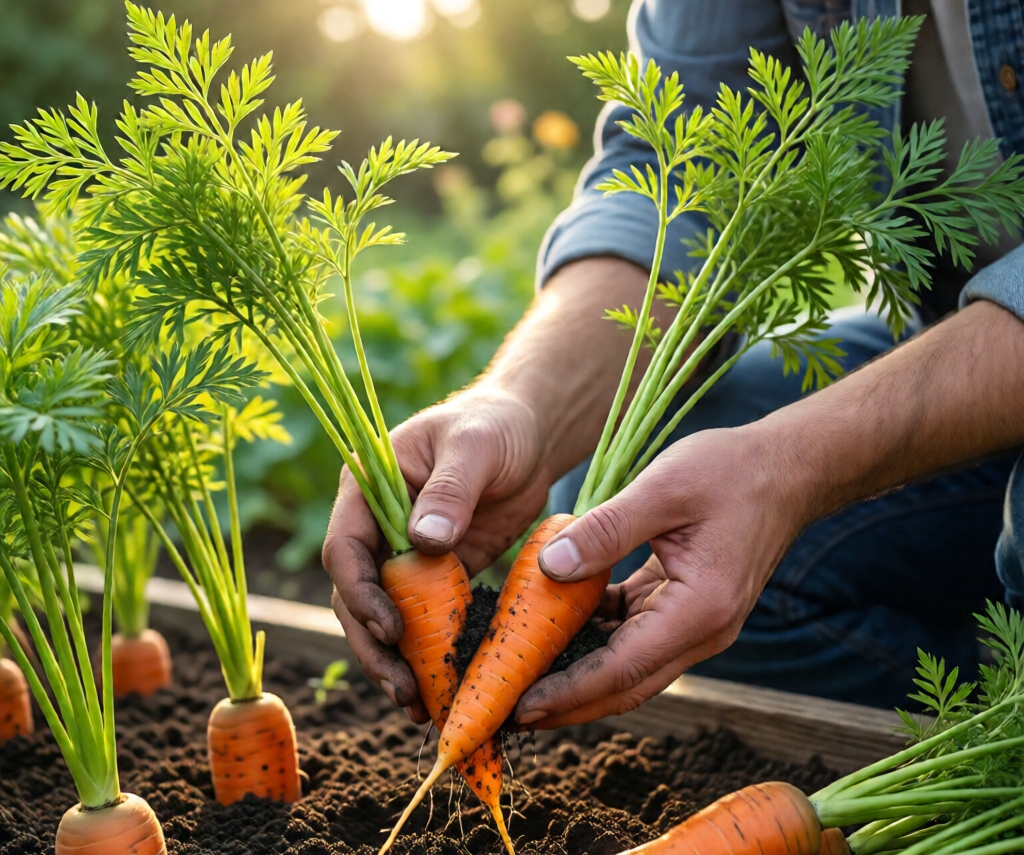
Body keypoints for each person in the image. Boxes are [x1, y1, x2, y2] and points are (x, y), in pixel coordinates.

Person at [323, 0, 1024, 727]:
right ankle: (969, 695)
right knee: (621, 506)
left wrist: (788, 467)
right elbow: (674, 171)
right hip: (947, 346)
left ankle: (999, 730)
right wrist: (521, 403)